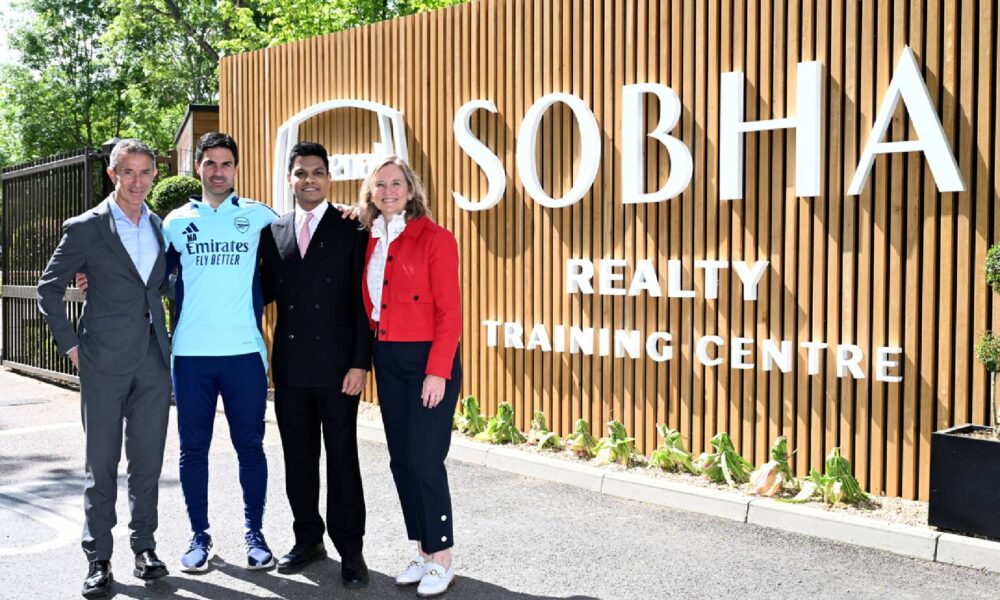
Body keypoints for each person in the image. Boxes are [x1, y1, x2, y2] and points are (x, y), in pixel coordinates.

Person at [37, 139, 173, 597]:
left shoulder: (158, 225)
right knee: (102, 465)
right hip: (102, 363)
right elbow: (48, 288)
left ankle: (146, 548)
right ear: (113, 175)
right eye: (128, 172)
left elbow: (158, 284)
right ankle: (98, 557)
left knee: (148, 464)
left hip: (153, 363)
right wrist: (71, 346)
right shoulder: (86, 228)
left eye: (145, 172)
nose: (137, 181)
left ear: (154, 175)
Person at [161, 132, 279, 572]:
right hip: (191, 355)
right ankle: (198, 536)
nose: (218, 171)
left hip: (244, 354)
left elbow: (295, 258)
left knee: (251, 447)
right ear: (198, 167)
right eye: (209, 163)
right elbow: (150, 275)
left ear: (235, 168)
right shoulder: (174, 222)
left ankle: (255, 534)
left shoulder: (260, 216)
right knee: (193, 450)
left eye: (226, 163)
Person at [258, 141, 373, 588]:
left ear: (329, 178)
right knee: (298, 460)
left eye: (318, 172)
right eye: (302, 172)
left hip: (339, 367)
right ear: (290, 179)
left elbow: (364, 303)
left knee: (343, 460)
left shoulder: (352, 228)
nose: (310, 179)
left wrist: (361, 363)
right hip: (290, 368)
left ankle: (351, 549)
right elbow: (258, 290)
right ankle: (308, 539)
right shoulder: (274, 232)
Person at [358, 156, 462, 597]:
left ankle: (443, 557)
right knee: (401, 460)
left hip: (427, 362)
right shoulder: (369, 237)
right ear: (370, 192)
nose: (388, 191)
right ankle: (422, 553)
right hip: (388, 358)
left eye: (396, 183)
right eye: (379, 184)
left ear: (411, 189)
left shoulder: (436, 238)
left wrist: (438, 372)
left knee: (424, 459)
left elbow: (450, 312)